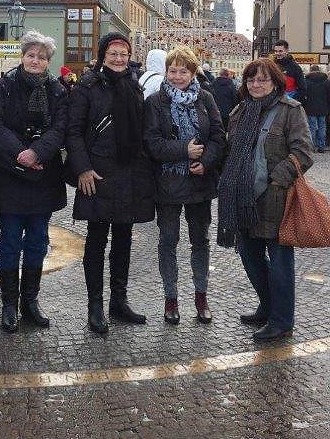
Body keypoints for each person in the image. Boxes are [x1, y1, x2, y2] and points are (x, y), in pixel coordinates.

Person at [218, 58, 313, 343]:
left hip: (276, 199)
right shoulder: (239, 111)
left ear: (275, 82)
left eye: (262, 80)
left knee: (281, 261)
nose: (256, 85)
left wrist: (277, 179)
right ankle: (267, 306)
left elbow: (303, 152)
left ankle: (282, 321)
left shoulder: (289, 111)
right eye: (251, 80)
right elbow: (229, 148)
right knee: (249, 255)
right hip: (244, 198)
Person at [66, 32, 154, 334]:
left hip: (129, 172)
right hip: (98, 173)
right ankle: (95, 305)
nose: (119, 58)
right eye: (113, 53)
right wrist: (83, 168)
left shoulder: (134, 86)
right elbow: (74, 132)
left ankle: (119, 300)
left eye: (123, 53)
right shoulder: (87, 87)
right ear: (103, 55)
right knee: (96, 239)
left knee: (124, 238)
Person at [0, 31, 67, 333]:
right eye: (31, 55)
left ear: (48, 61)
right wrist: (20, 152)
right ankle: (9, 304)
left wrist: (36, 151)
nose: (35, 60)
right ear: (22, 57)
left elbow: (61, 126)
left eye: (41, 57)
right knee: (9, 241)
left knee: (37, 240)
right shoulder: (5, 86)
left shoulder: (57, 91)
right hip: (9, 173)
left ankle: (30, 302)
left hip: (43, 174)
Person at [144, 47, 226, 325]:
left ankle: (201, 296)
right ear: (166, 72)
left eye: (183, 71)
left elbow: (218, 137)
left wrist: (206, 161)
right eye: (173, 70)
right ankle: (171, 299)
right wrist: (183, 150)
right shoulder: (155, 101)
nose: (178, 76)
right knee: (168, 242)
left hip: (199, 181)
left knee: (200, 241)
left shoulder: (206, 99)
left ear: (193, 73)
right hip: (167, 183)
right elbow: (151, 143)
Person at [304, 65, 330, 152]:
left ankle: (312, 147)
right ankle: (321, 147)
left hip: (310, 107)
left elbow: (304, 95)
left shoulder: (306, 81)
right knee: (322, 127)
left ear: (310, 70)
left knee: (312, 127)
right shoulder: (326, 82)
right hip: (323, 108)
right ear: (319, 70)